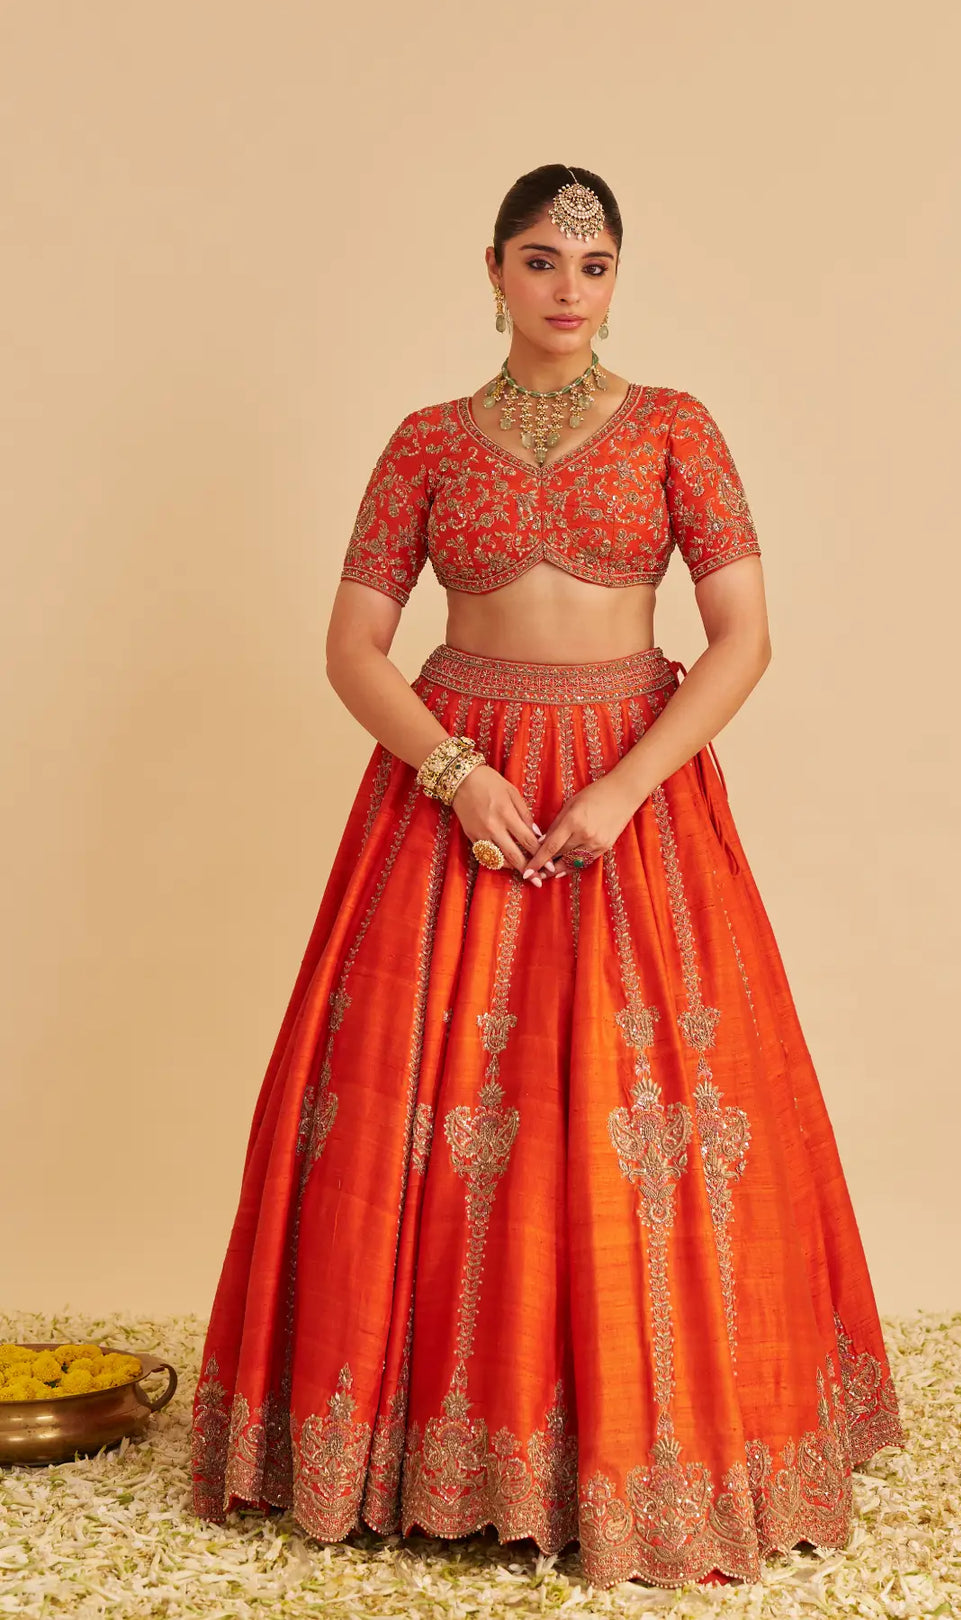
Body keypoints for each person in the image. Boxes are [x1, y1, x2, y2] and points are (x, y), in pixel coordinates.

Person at [189, 163, 906, 1591]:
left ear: (616, 277)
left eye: (593, 263)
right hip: (460, 794)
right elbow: (352, 649)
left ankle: (645, 1458)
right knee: (429, 1124)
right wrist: (459, 777)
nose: (568, 289)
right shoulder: (424, 444)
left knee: (642, 1125)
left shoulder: (674, 430)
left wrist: (625, 788)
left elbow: (744, 637)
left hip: (633, 800)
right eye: (539, 260)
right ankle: (422, 1454)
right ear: (494, 272)